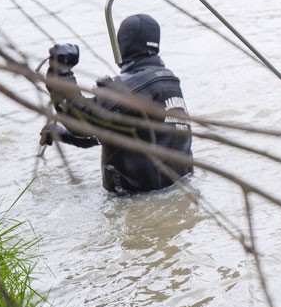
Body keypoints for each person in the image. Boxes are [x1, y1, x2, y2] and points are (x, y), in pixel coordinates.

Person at [43, 13, 194, 195]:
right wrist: (63, 135)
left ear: (123, 43)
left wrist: (61, 70)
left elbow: (80, 121)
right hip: (180, 192)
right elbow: (124, 132)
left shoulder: (129, 88)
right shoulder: (168, 82)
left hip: (137, 202)